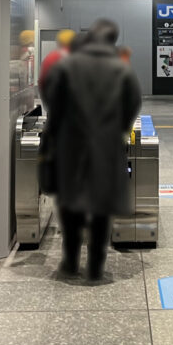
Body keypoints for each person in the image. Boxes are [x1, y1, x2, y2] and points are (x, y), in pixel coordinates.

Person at [42, 19, 141, 282]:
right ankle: (96, 266)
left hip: (69, 145)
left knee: (69, 203)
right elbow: (132, 105)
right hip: (106, 146)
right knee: (101, 207)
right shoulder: (121, 70)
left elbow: (53, 104)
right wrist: (115, 128)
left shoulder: (65, 66)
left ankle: (71, 261)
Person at [39, 29, 75, 95]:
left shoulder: (51, 58)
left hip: (56, 97)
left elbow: (43, 81)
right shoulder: (81, 57)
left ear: (59, 42)